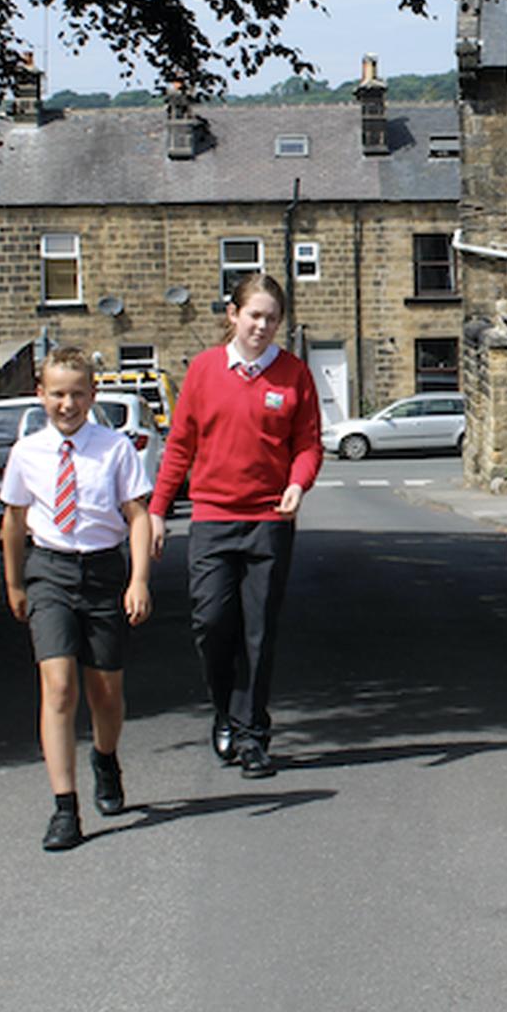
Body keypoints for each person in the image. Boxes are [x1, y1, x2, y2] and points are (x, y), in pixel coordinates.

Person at [150, 271, 322, 779]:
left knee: (259, 630)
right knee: (211, 623)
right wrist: (158, 509)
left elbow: (308, 443)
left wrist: (299, 482)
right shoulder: (204, 371)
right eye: (254, 316)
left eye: (272, 318)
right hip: (212, 517)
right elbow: (180, 444)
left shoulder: (293, 375)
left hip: (269, 518)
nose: (262, 326)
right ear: (233, 315)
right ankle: (223, 710)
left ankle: (252, 734)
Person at [0, 346, 154, 852]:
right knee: (59, 686)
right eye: (58, 394)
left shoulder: (114, 449)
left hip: (103, 570)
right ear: (40, 395)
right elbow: (14, 523)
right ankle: (65, 808)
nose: (67, 404)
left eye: (78, 394)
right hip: (50, 570)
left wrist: (138, 581)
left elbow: (138, 517)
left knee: (104, 691)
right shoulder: (26, 453)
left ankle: (105, 758)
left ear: (93, 396)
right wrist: (16, 583)